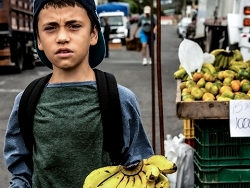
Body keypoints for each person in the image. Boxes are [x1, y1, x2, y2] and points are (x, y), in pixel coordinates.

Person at [3, 0, 154, 187]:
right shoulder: (26, 102)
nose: (62, 37)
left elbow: (139, 170)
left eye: (74, 26)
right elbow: (21, 173)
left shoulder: (120, 99)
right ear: (39, 40)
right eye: (50, 28)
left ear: (93, 34)